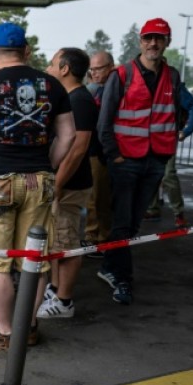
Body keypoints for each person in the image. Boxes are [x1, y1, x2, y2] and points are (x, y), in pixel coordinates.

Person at [0, 23, 75, 350]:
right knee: (33, 260)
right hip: (38, 180)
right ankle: (30, 327)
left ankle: (7, 333)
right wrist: (47, 166)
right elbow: (68, 136)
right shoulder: (52, 85)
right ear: (26, 52)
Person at [96, 18, 183, 305]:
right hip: (125, 161)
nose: (153, 43)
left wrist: (167, 150)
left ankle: (109, 266)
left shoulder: (173, 75)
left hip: (155, 161)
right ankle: (122, 279)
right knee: (122, 222)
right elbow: (104, 121)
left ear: (167, 42)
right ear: (140, 42)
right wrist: (114, 155)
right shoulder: (122, 75)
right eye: (148, 38)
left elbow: (175, 113)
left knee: (132, 224)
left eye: (159, 38)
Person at [39, 48, 95, 319]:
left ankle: (64, 301)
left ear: (64, 69)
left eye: (51, 65)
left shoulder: (80, 100)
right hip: (62, 183)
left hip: (70, 185)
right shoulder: (70, 98)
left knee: (67, 241)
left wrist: (57, 186)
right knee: (56, 240)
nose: (48, 69)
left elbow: (78, 147)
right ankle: (54, 288)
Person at [143, 83, 193, 226]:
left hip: (166, 137)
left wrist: (187, 131)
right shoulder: (144, 82)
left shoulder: (173, 86)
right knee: (148, 173)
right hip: (147, 136)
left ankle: (178, 213)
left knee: (168, 175)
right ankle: (152, 208)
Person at [84, 51, 115, 249]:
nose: (94, 73)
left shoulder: (113, 90)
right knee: (93, 197)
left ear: (111, 67)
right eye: (92, 69)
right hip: (94, 150)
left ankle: (100, 238)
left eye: (99, 69)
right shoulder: (98, 90)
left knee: (101, 199)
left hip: (105, 153)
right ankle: (93, 235)